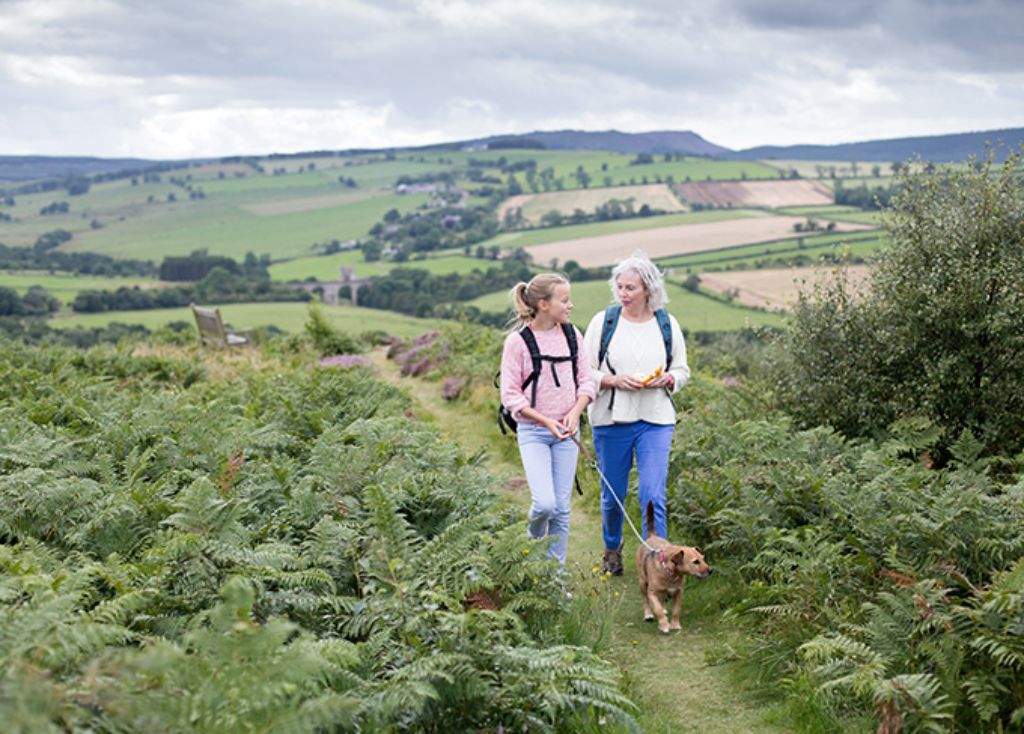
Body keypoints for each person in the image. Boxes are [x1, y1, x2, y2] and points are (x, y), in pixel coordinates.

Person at [583, 252, 690, 576]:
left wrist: (669, 379)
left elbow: (682, 369)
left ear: (648, 289)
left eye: (631, 287)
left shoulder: (666, 323)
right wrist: (612, 380)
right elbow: (584, 371)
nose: (623, 293)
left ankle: (659, 563)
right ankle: (612, 550)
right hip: (611, 419)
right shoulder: (604, 322)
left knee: (653, 493)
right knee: (613, 495)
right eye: (620, 287)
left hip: (656, 418)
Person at [500, 274, 595, 566]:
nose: (570, 305)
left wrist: (575, 412)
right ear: (543, 304)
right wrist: (546, 420)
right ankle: (529, 550)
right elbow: (510, 395)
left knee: (562, 509)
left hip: (567, 433)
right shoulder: (517, 343)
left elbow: (587, 381)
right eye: (564, 300)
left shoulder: (572, 335)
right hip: (534, 432)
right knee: (544, 504)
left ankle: (556, 580)